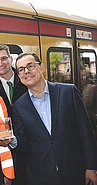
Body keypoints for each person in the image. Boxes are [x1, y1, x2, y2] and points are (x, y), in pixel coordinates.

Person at [12, 52, 97, 185]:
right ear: (19, 75)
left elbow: (85, 130)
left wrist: (92, 166)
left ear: (42, 67)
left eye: (31, 66)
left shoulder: (68, 92)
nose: (27, 72)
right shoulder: (18, 106)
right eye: (21, 69)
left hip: (75, 171)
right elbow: (25, 144)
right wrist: (12, 141)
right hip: (42, 176)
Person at [0, 44, 27, 184]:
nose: (0, 63)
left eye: (4, 58)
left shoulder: (26, 80)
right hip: (4, 150)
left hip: (30, 144)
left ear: (11, 58)